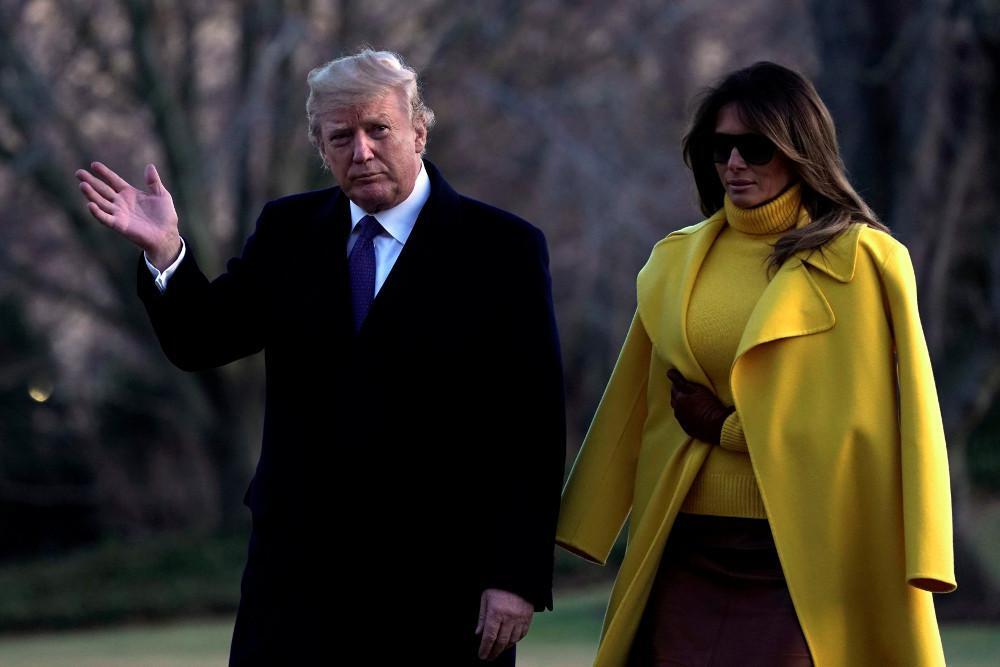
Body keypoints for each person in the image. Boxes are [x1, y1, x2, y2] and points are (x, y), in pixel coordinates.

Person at [76, 49, 566, 666]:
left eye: (378, 129)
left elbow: (532, 425)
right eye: (341, 137)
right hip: (296, 581)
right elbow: (202, 340)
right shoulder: (288, 231)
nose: (361, 151)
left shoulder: (501, 249)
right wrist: (167, 251)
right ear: (322, 149)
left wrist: (516, 575)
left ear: (418, 131)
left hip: (441, 584)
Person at [556, 62, 955, 666]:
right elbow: (633, 398)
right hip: (685, 541)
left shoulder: (866, 260)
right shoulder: (675, 260)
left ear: (800, 151)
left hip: (812, 549)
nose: (735, 164)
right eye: (721, 149)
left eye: (756, 147)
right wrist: (586, 519)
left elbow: (907, 413)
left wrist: (726, 428)